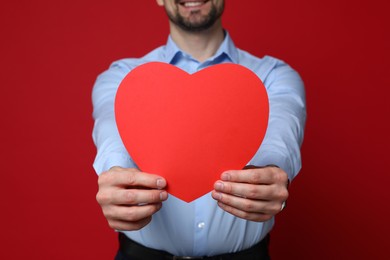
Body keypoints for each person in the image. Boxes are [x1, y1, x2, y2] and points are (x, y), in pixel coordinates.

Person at [92, 0, 306, 259]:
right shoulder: (122, 78)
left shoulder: (273, 76)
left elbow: (281, 134)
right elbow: (111, 136)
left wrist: (273, 173)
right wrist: (115, 173)